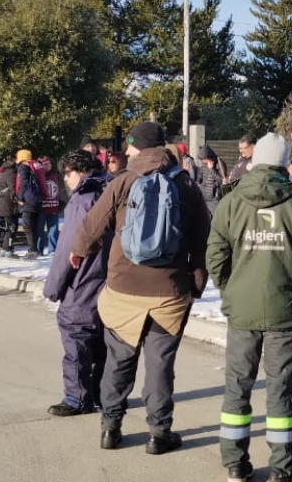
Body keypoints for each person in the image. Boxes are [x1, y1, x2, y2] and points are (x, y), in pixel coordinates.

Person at [69, 122, 211, 456]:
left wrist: (79, 251)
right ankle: (159, 433)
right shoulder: (186, 184)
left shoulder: (122, 182)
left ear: (139, 147)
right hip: (169, 291)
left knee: (119, 359)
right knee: (160, 364)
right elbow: (202, 238)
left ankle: (110, 427)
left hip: (123, 288)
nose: (127, 153)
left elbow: (93, 224)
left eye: (131, 147)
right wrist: (197, 282)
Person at [209, 132, 292, 482]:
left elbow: (216, 253)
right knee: (279, 391)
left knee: (237, 386)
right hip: (285, 311)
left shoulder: (232, 202)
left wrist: (229, 289)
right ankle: (281, 466)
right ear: (282, 163)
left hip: (242, 309)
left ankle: (235, 463)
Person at [43, 150, 113, 417]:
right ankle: (103, 394)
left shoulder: (81, 201)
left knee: (75, 339)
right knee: (103, 343)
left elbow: (67, 248)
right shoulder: (111, 190)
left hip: (83, 278)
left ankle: (77, 398)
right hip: (108, 279)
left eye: (68, 174)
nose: (66, 179)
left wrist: (53, 286)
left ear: (79, 171)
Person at [15, 149, 44, 260]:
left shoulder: (23, 168)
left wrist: (20, 197)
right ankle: (34, 250)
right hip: (35, 201)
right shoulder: (33, 168)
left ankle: (32, 251)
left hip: (27, 202)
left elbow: (24, 182)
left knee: (27, 227)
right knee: (34, 226)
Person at [0, 156, 19, 256]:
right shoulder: (11, 172)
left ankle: (6, 247)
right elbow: (12, 188)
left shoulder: (4, 170)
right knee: (12, 227)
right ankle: (7, 248)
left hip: (3, 202)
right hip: (8, 204)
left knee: (8, 227)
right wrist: (17, 199)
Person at [40, 155, 62, 255]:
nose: (46, 166)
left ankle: (52, 249)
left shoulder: (57, 175)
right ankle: (38, 249)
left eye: (48, 163)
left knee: (53, 230)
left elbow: (62, 190)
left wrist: (62, 202)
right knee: (39, 230)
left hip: (54, 207)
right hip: (41, 208)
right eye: (44, 164)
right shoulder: (38, 175)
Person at [195, 145, 227, 214]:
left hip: (214, 199)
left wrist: (212, 169)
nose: (203, 161)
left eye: (204, 159)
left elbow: (221, 181)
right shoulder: (203, 165)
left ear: (209, 157)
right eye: (201, 159)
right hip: (203, 197)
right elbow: (199, 178)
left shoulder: (219, 164)